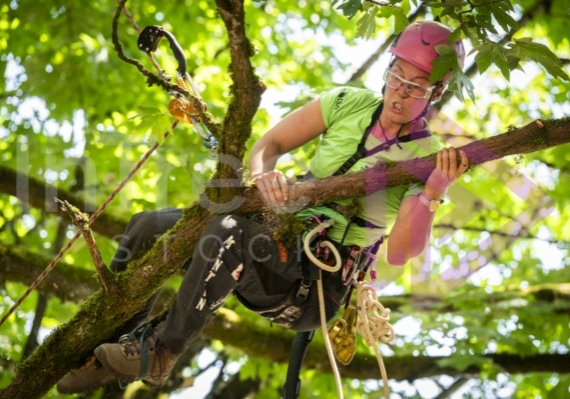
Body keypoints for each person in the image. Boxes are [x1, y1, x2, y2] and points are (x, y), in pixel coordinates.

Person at [57, 20, 469, 394]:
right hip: (272, 237)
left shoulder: (427, 157)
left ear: (437, 92)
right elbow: (268, 147)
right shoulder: (349, 103)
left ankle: (162, 351)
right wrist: (263, 175)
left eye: (416, 86)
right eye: (397, 75)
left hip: (312, 282)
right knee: (148, 228)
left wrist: (432, 192)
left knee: (229, 232)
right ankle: (102, 339)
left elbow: (400, 252)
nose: (401, 91)